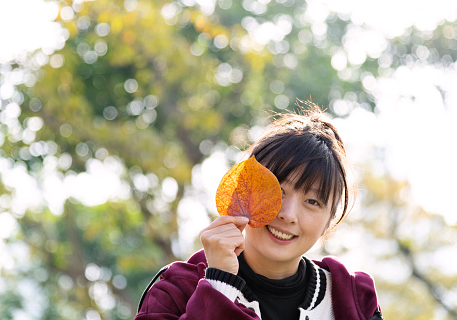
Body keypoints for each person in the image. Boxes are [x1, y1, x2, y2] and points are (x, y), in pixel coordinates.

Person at [135, 102, 383, 320]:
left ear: (330, 221)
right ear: (242, 189)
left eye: (312, 201)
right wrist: (219, 285)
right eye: (277, 190)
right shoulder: (178, 288)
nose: (288, 214)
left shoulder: (351, 299)